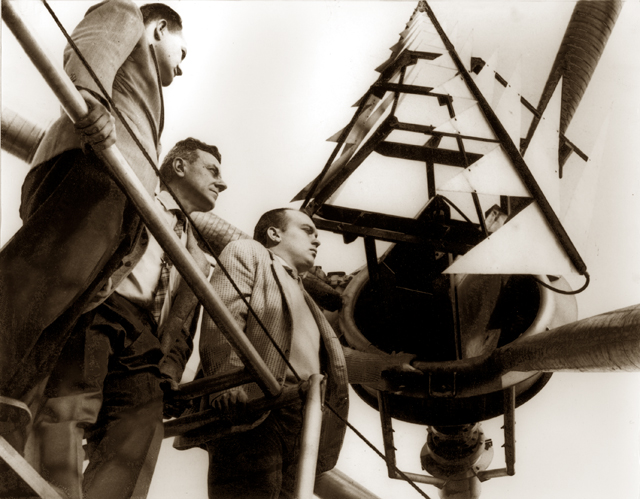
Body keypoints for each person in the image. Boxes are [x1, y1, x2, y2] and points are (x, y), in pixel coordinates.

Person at [0, 0, 187, 404]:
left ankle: (10, 408)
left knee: (59, 313)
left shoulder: (151, 88)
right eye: (182, 50)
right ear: (159, 29)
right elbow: (91, 48)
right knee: (38, 286)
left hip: (119, 194)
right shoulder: (128, 14)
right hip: (94, 169)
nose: (183, 65)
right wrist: (91, 101)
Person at [24, 138, 227, 499]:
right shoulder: (134, 193)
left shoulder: (197, 252)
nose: (221, 183)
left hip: (146, 335)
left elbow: (183, 322)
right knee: (71, 401)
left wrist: (170, 367)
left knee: (141, 425)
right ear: (179, 166)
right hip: (100, 305)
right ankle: (56, 492)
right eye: (212, 170)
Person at [179, 208, 415, 499]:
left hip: (302, 419)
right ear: (274, 234)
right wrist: (228, 381)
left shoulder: (306, 299)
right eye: (307, 230)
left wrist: (386, 367)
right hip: (255, 405)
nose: (316, 240)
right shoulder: (248, 252)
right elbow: (224, 313)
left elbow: (333, 360)